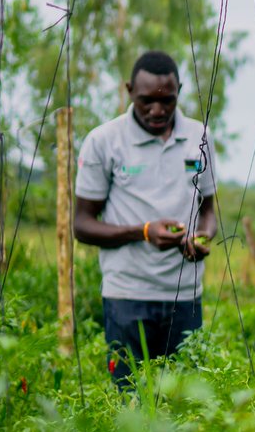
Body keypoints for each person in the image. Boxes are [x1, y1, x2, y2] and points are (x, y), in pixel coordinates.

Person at [74, 50, 217, 387]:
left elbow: (209, 208)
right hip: (127, 297)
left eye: (167, 101)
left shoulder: (199, 137)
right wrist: (143, 232)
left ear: (179, 91)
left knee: (185, 408)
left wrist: (202, 237)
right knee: (129, 405)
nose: (157, 110)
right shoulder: (103, 141)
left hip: (184, 297)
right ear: (128, 91)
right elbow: (82, 224)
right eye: (145, 102)